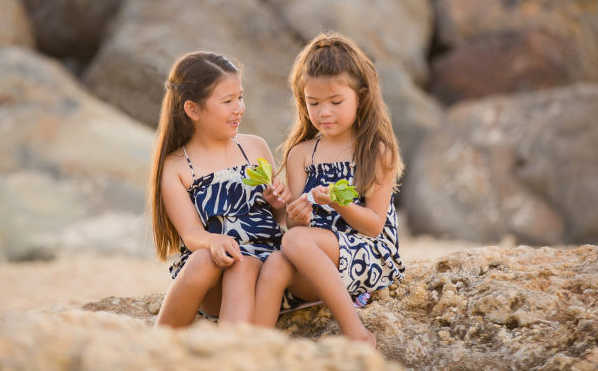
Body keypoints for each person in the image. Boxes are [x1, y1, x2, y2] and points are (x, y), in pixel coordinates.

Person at [254, 32, 406, 348]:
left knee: (293, 241)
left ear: (361, 97)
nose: (324, 112)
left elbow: (375, 225)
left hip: (368, 254)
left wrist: (340, 205)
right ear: (302, 101)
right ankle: (256, 349)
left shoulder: (375, 152)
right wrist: (287, 208)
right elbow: (295, 226)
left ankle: (357, 333)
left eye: (336, 102)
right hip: (315, 255)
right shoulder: (301, 153)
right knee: (275, 263)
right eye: (314, 103)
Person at [149, 51, 288, 327]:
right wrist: (213, 241)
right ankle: (162, 341)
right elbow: (190, 234)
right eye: (227, 101)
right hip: (215, 271)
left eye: (240, 97)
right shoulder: (176, 166)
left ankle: (229, 349)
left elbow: (278, 221)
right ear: (193, 110)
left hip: (266, 265)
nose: (239, 108)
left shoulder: (254, 147)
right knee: (205, 260)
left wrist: (279, 203)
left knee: (245, 264)